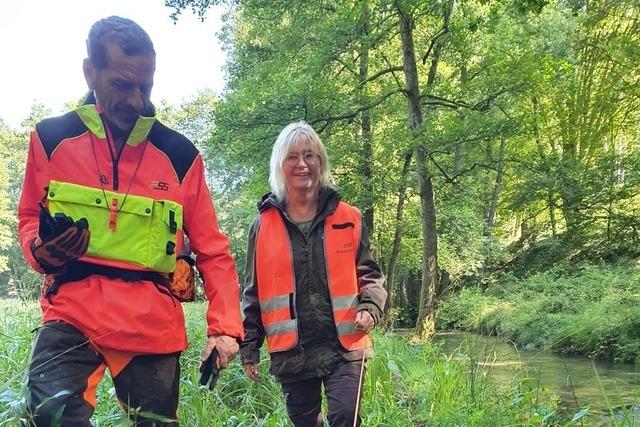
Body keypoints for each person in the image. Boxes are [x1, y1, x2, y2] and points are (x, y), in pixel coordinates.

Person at [17, 16, 242, 426]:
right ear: (90, 72)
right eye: (122, 84)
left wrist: (225, 327)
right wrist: (39, 250)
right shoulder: (51, 139)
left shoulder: (179, 155)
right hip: (72, 312)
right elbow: (30, 218)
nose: (137, 100)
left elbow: (213, 250)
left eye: (146, 86)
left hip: (150, 325)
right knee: (49, 417)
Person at [240, 121, 387, 427]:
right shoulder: (262, 226)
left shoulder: (349, 218)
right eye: (292, 157)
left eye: (310, 156)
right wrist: (249, 346)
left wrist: (370, 307)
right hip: (292, 351)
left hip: (344, 345)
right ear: (280, 165)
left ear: (321, 162)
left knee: (345, 415)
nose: (302, 164)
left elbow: (371, 275)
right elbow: (252, 293)